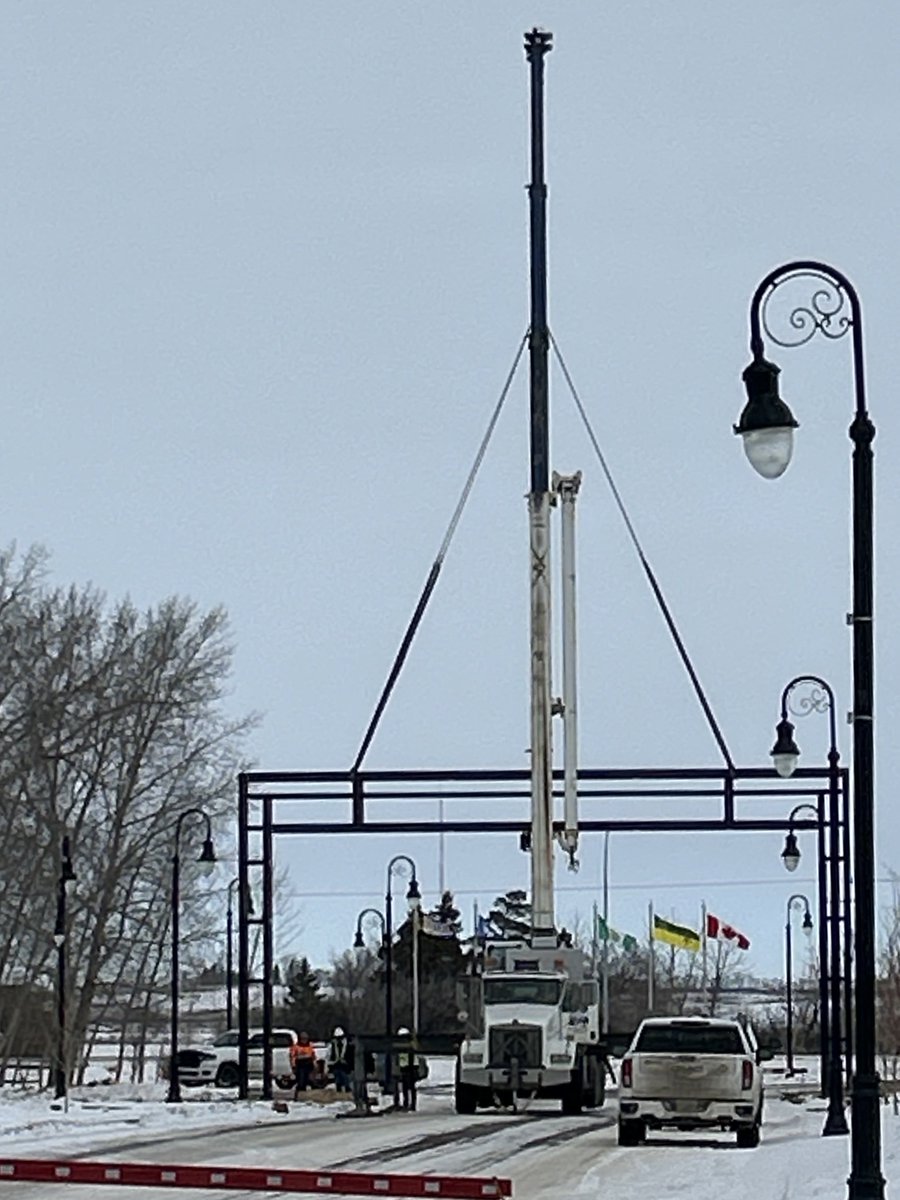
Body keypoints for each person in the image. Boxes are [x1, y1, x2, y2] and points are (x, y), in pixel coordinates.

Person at [393, 1026, 419, 1112]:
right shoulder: (403, 1045)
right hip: (405, 1067)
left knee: (410, 1087)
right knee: (407, 1087)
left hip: (410, 1067)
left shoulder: (410, 1044)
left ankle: (411, 1104)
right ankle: (407, 1103)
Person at [327, 1025, 353, 1094]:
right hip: (336, 1065)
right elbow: (329, 1055)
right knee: (337, 1077)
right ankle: (339, 1090)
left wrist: (347, 1062)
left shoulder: (349, 1045)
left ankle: (347, 1089)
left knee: (345, 1077)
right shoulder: (332, 1045)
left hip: (346, 1066)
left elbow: (351, 1056)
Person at [290, 1032, 316, 1098]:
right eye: (303, 1039)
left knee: (309, 1081)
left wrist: (314, 1064)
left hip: (308, 1065)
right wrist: (293, 1066)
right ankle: (298, 1095)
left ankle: (304, 1095)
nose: (304, 1040)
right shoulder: (296, 1046)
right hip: (300, 1065)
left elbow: (313, 1055)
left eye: (305, 1039)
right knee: (301, 1081)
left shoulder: (310, 1046)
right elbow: (293, 1056)